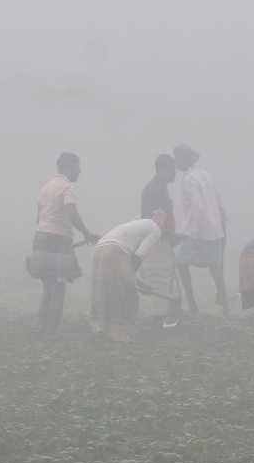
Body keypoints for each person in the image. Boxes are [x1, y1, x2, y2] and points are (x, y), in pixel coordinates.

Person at [27, 152, 100, 333]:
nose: (80, 171)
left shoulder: (46, 188)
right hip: (58, 243)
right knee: (59, 289)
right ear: (68, 167)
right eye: (77, 167)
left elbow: (39, 219)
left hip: (41, 242)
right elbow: (72, 213)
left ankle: (40, 328)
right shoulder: (67, 188)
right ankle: (51, 333)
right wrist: (86, 232)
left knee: (48, 289)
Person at [90, 210, 175, 342]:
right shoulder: (156, 230)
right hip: (116, 250)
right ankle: (121, 336)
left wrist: (140, 283)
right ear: (165, 230)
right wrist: (132, 283)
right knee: (128, 295)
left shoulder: (142, 225)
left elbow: (124, 266)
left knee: (104, 291)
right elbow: (138, 257)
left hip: (100, 250)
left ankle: (100, 329)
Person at [173, 144, 230, 315]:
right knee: (215, 269)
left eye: (177, 158)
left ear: (185, 159)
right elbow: (218, 204)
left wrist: (190, 233)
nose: (175, 163)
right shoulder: (207, 176)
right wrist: (223, 229)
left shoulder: (189, 179)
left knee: (181, 264)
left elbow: (197, 207)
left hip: (197, 233)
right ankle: (226, 308)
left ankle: (193, 307)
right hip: (214, 231)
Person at [139, 153, 183, 329]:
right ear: (160, 169)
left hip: (163, 244)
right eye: (171, 169)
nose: (175, 172)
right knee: (159, 289)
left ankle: (168, 327)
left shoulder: (160, 188)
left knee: (172, 288)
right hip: (156, 245)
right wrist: (173, 236)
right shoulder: (153, 189)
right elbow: (153, 222)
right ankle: (157, 330)